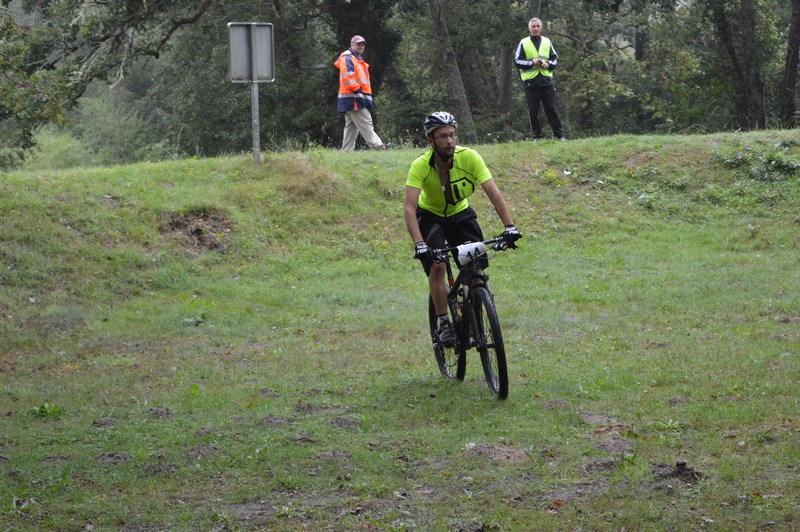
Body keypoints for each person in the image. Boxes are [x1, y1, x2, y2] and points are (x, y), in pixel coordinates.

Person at [403, 112, 522, 346]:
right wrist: (420, 244)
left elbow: (493, 192)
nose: (449, 141)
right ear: (431, 141)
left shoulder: (470, 158)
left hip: (460, 215)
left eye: (452, 135)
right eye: (443, 137)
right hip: (431, 216)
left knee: (475, 268)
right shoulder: (420, 166)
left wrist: (509, 226)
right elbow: (409, 208)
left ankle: (478, 308)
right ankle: (444, 322)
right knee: (437, 265)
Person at [334, 35, 389, 151]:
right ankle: (378, 146)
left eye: (363, 45)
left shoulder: (356, 59)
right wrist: (357, 90)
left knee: (351, 126)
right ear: (352, 45)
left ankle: (346, 151)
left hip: (352, 97)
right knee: (365, 120)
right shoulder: (348, 58)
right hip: (353, 97)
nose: (361, 47)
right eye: (358, 44)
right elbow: (347, 77)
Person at [514, 17, 566, 141]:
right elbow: (517, 61)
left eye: (538, 26)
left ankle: (559, 136)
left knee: (551, 109)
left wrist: (548, 64)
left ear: (541, 28)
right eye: (533, 27)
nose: (536, 29)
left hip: (546, 81)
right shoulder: (523, 42)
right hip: (530, 82)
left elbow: (555, 58)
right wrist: (532, 62)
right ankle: (537, 137)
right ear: (529, 28)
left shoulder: (547, 41)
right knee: (533, 111)